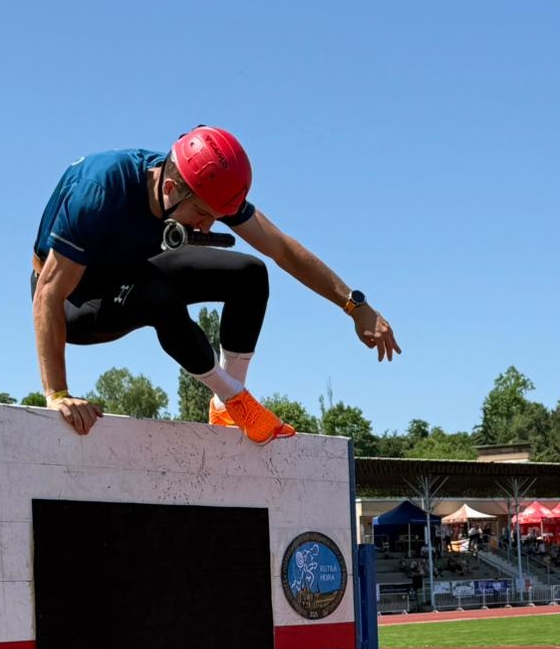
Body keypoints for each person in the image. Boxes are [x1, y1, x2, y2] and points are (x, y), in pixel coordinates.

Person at [30, 126, 401, 440]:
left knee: (249, 274)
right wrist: (57, 394)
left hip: (131, 268)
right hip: (75, 302)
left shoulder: (204, 183)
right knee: (159, 295)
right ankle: (237, 400)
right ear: (171, 187)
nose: (208, 227)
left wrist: (355, 305)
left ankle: (225, 409)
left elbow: (282, 249)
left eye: (217, 217)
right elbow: (48, 293)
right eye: (203, 215)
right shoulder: (101, 191)